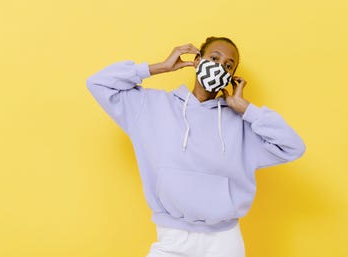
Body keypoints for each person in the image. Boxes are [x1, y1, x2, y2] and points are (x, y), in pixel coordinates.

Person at [86, 36, 306, 257]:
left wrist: (247, 109)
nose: (219, 67)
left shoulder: (242, 125)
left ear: (232, 77)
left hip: (224, 242)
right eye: (214, 58)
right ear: (198, 60)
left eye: (228, 66)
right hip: (172, 239)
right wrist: (159, 67)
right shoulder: (150, 107)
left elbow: (293, 147)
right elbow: (98, 83)